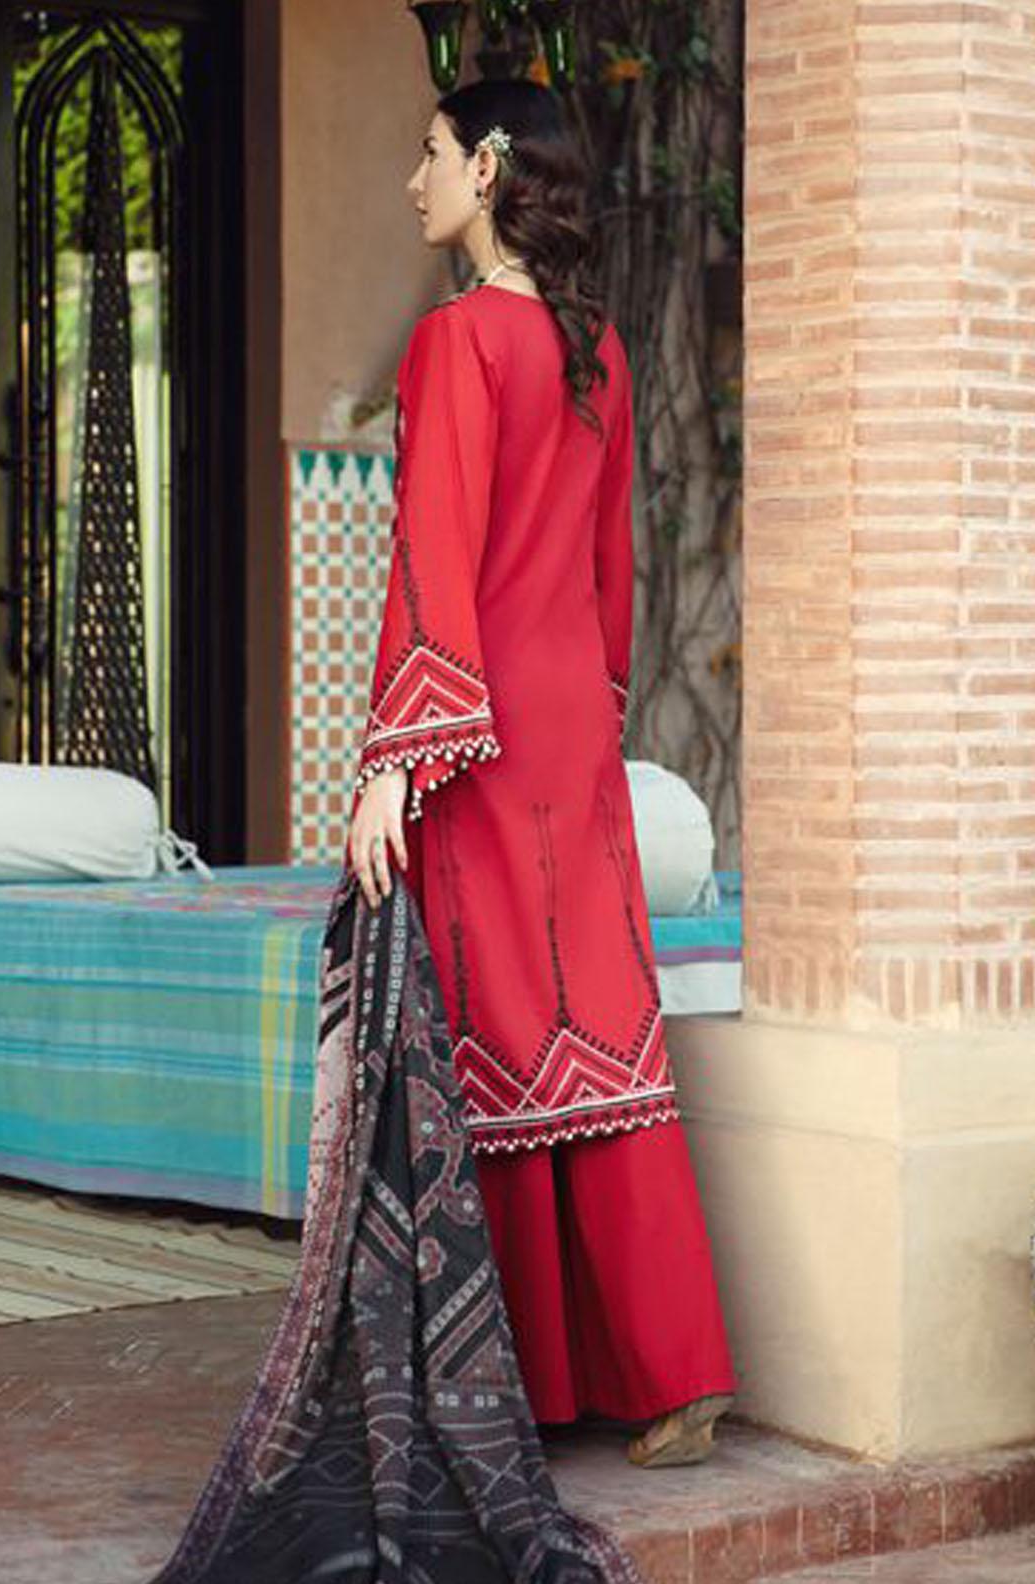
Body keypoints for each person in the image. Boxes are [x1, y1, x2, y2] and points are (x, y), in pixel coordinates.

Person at [346, 77, 735, 1467]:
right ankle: (670, 1370)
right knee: (598, 1035)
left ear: (489, 169)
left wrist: (396, 759)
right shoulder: (598, 348)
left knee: (495, 1037)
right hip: (572, 724)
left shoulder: (457, 341)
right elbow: (609, 572)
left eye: (431, 152)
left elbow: (434, 552)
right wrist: (592, 711)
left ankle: (501, 1384)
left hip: (477, 730)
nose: (414, 180)